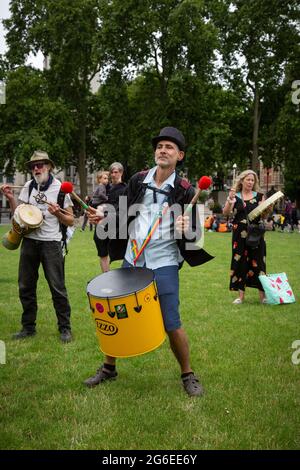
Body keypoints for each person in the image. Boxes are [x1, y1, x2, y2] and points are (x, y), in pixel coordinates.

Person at [84, 126, 213, 397]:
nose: (162, 150)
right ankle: (109, 368)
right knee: (114, 312)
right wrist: (104, 217)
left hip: (163, 262)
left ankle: (188, 374)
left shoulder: (187, 190)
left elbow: (196, 238)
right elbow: (121, 213)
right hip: (133, 257)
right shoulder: (138, 180)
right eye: (159, 146)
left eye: (169, 147)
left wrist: (186, 229)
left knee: (170, 321)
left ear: (180, 155)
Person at [0, 150, 74, 342]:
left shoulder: (60, 189)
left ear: (49, 166)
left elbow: (71, 220)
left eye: (40, 165)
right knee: (25, 286)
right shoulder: (28, 186)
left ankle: (65, 329)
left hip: (51, 243)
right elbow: (20, 214)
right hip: (30, 242)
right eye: (33, 166)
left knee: (57, 288)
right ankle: (28, 327)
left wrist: (57, 213)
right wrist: (10, 197)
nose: (36, 168)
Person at [223, 169, 267, 305]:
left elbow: (264, 216)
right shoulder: (234, 196)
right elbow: (226, 213)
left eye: (252, 180)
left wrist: (265, 209)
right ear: (242, 181)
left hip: (256, 234)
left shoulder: (260, 196)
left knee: (259, 263)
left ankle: (263, 297)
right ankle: (240, 297)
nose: (250, 182)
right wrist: (230, 201)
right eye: (248, 179)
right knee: (240, 262)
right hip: (239, 234)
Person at [93, 163, 127, 272]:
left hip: (117, 227)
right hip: (102, 226)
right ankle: (106, 278)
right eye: (111, 172)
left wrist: (105, 214)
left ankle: (125, 281)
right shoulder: (105, 188)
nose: (113, 174)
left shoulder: (125, 190)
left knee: (123, 253)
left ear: (121, 173)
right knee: (103, 254)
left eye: (116, 172)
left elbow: (122, 212)